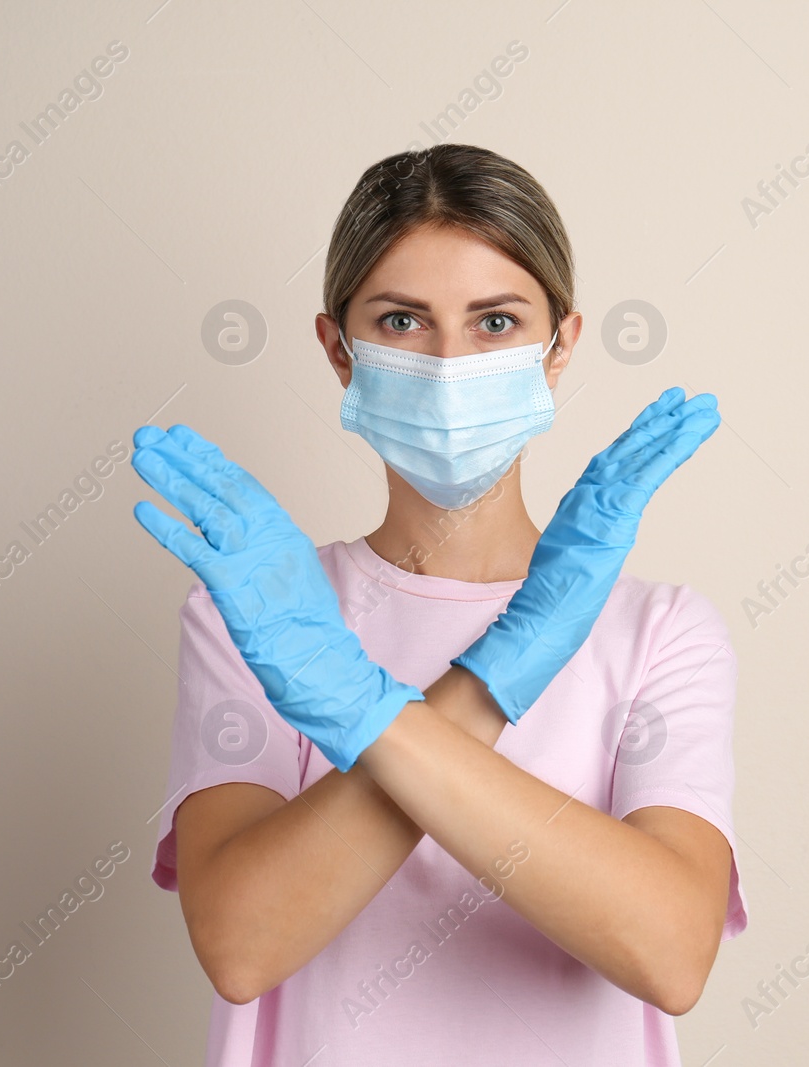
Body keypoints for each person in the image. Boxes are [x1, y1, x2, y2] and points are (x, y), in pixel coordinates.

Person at [130, 143, 746, 1066]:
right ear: (340, 350)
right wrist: (498, 677)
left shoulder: (659, 633)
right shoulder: (259, 616)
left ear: (561, 346)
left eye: (495, 320)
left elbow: (668, 953)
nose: (452, 360)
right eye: (403, 320)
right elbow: (243, 945)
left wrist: (365, 710)